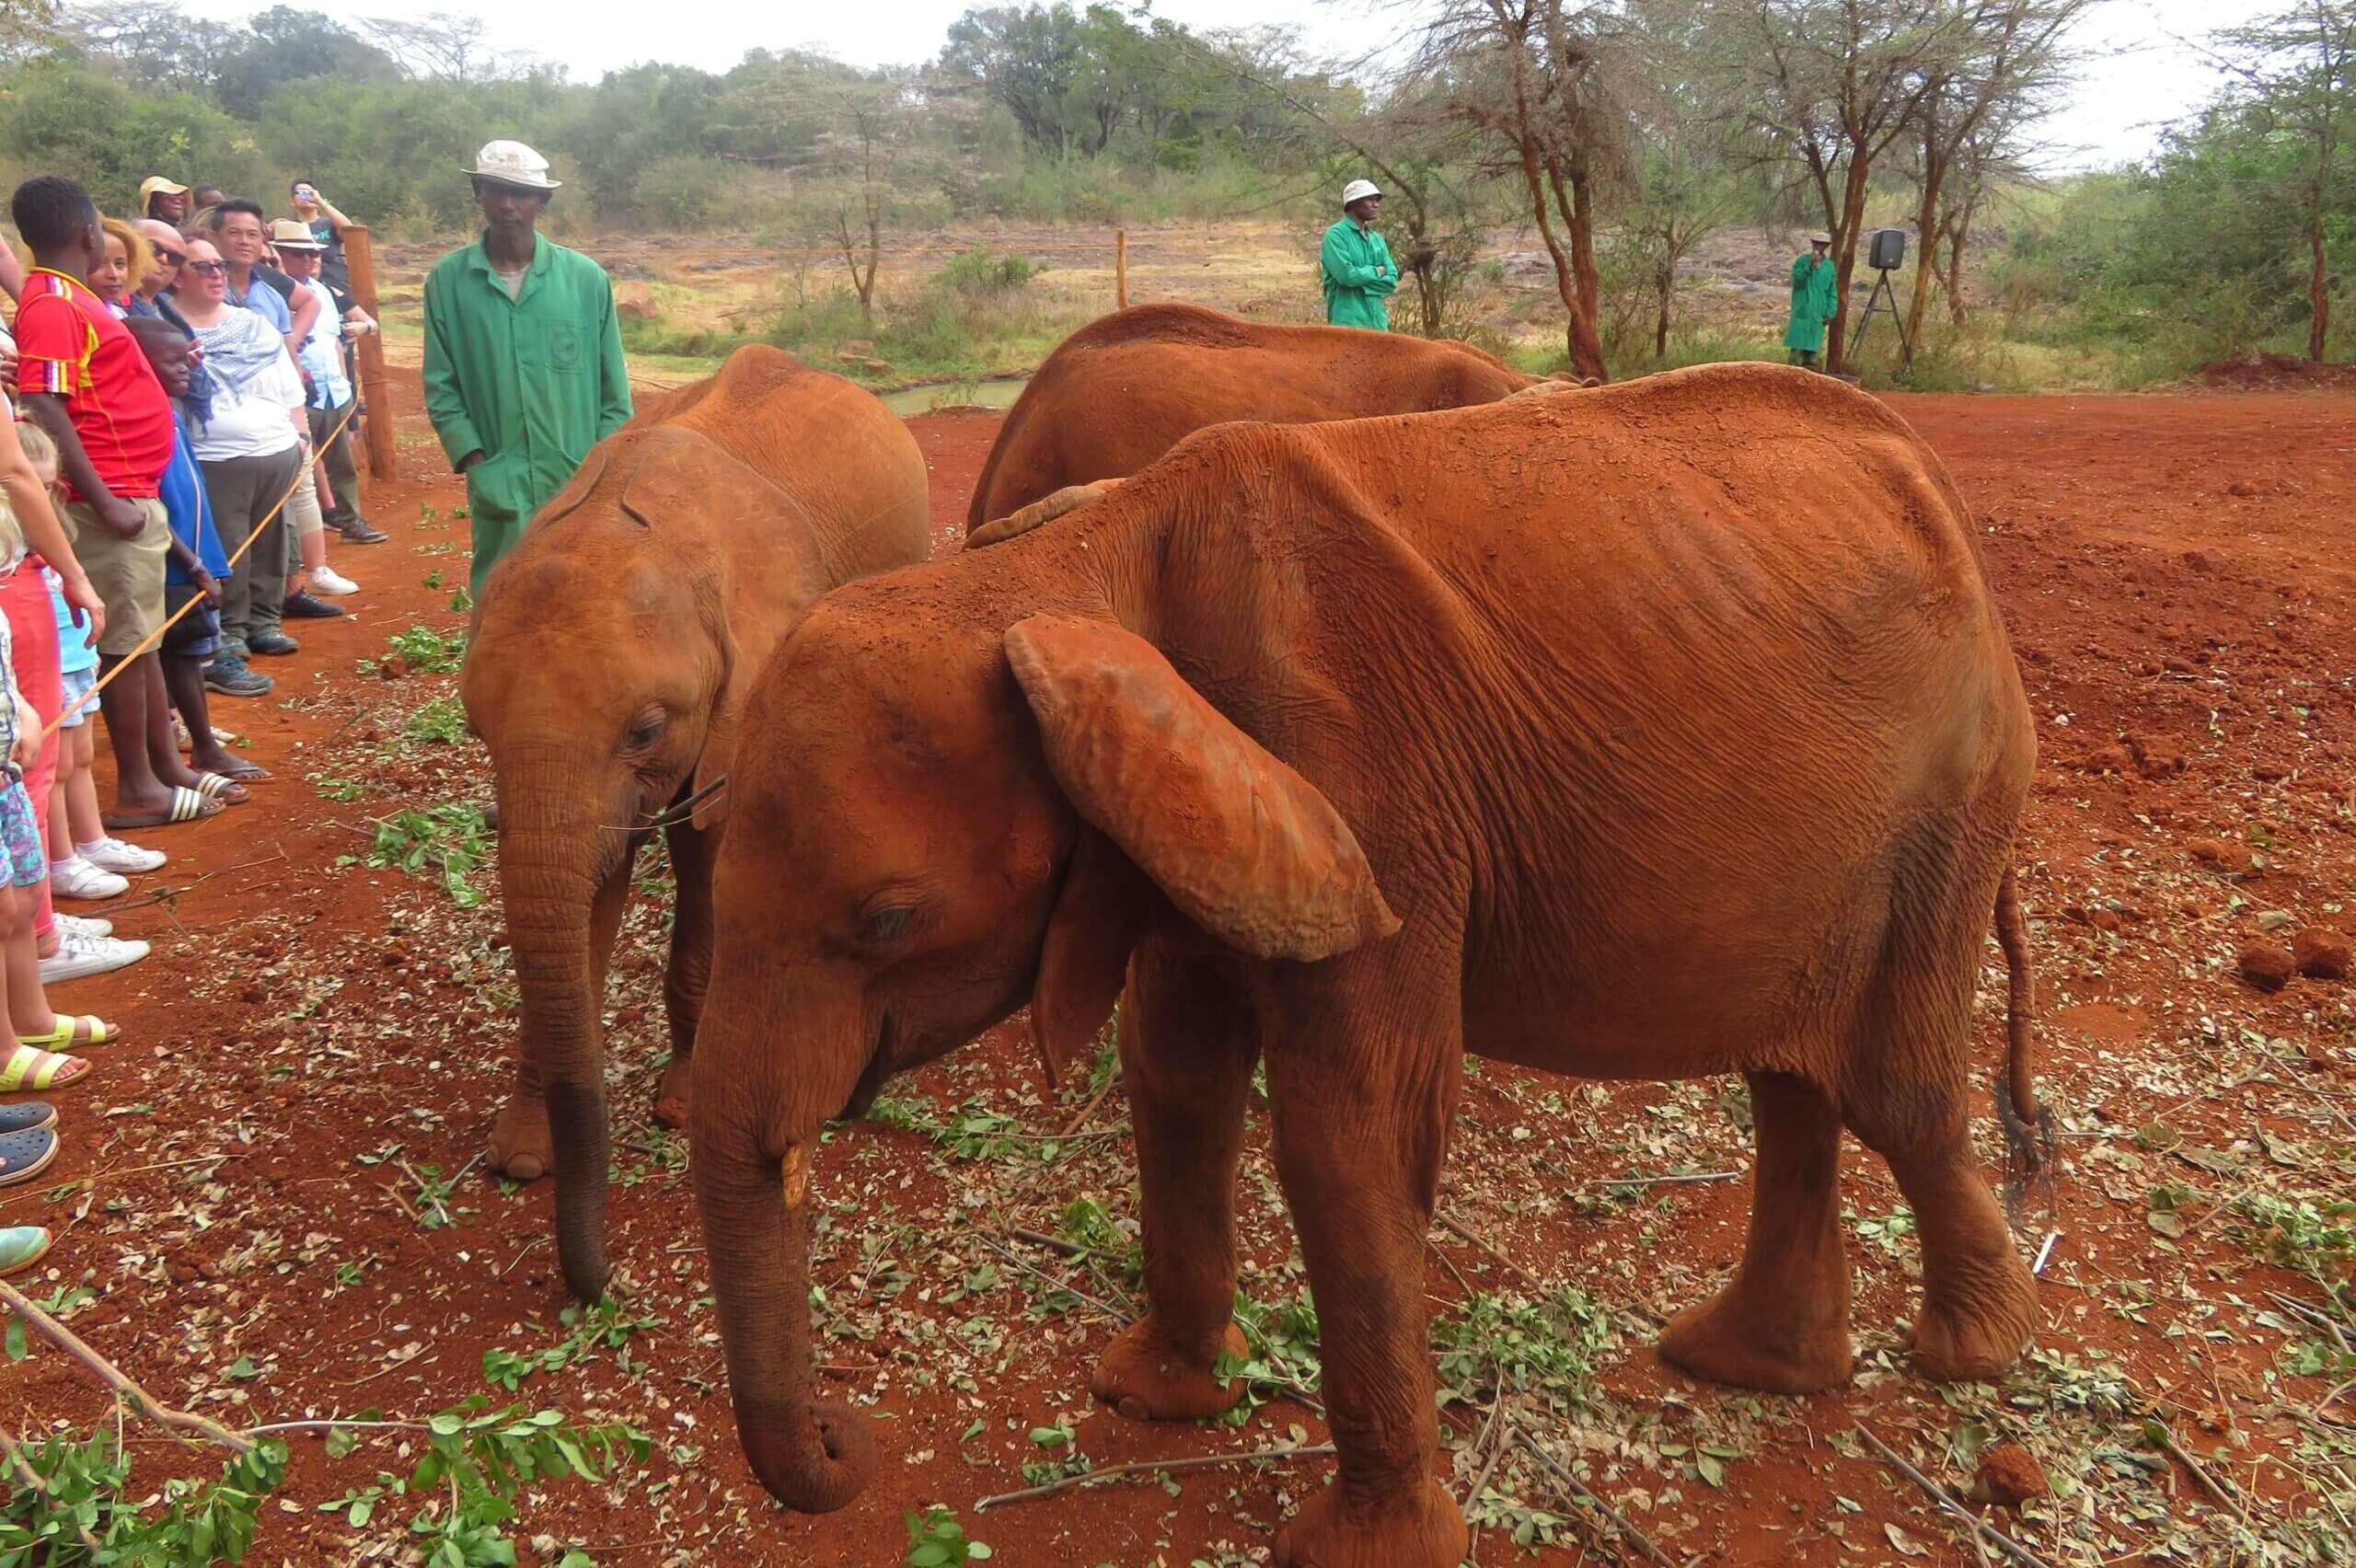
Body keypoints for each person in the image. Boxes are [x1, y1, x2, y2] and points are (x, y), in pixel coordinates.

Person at [9, 176, 210, 833]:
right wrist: (104, 499)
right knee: (126, 646)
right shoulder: (52, 306)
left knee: (143, 640)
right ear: (87, 234)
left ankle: (164, 768)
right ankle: (140, 787)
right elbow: (45, 405)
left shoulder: (69, 298)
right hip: (110, 502)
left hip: (131, 493)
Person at [424, 140, 630, 599]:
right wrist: (479, 463)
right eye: (496, 189)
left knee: (584, 599)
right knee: (503, 601)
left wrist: (602, 469)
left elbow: (614, 393)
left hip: (579, 478)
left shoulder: (585, 280)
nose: (508, 204)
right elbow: (442, 387)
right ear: (478, 191)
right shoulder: (449, 281)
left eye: (521, 192)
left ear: (543, 201)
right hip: (500, 476)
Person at [10, 424, 156, 985]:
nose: (41, 501)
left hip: (57, 658)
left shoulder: (42, 543)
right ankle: (38, 933)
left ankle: (44, 918)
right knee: (36, 778)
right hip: (30, 661)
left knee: (58, 767)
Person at [172, 237, 309, 685]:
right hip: (214, 457)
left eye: (220, 265)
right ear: (178, 274)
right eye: (203, 266)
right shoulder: (166, 326)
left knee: (273, 538)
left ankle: (265, 621)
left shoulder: (252, 323)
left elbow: (286, 380)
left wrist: (300, 433)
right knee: (229, 545)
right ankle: (230, 628)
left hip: (276, 448)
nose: (216, 273)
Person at [273, 219, 379, 560]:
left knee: (340, 462)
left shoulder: (321, 292)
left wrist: (345, 385)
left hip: (333, 388)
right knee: (297, 472)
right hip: (296, 395)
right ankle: (296, 550)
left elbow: (336, 339)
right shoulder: (273, 293)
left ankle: (350, 521)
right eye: (298, 254)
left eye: (311, 254)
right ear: (280, 255)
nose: (307, 260)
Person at [208, 201, 319, 361]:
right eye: (233, 233)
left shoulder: (272, 294)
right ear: (214, 237)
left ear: (262, 240)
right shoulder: (200, 287)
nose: (244, 241)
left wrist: (290, 343)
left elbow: (310, 301)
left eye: (252, 234)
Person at [1320, 179, 1398, 332]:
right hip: (1348, 326)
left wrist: (1359, 282)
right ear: (1353, 203)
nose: (1376, 204)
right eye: (1370, 200)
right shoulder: (1335, 235)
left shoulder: (1377, 240)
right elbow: (1346, 277)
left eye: (1376, 200)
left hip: (1378, 325)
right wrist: (1377, 271)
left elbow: (1391, 281)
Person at [1785, 236, 1838, 370]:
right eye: (1816, 243)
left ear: (1826, 246)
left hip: (1818, 313)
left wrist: (1830, 312)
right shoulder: (1802, 261)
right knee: (1797, 350)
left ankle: (1809, 382)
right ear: (1812, 244)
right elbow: (1798, 280)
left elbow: (1832, 291)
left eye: (1822, 244)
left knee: (1812, 351)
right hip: (1802, 310)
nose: (1818, 246)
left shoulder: (1829, 267)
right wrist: (1809, 265)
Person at [89, 218, 148, 315]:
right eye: (100, 265)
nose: (113, 274)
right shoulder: (72, 312)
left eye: (119, 264)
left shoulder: (120, 314)